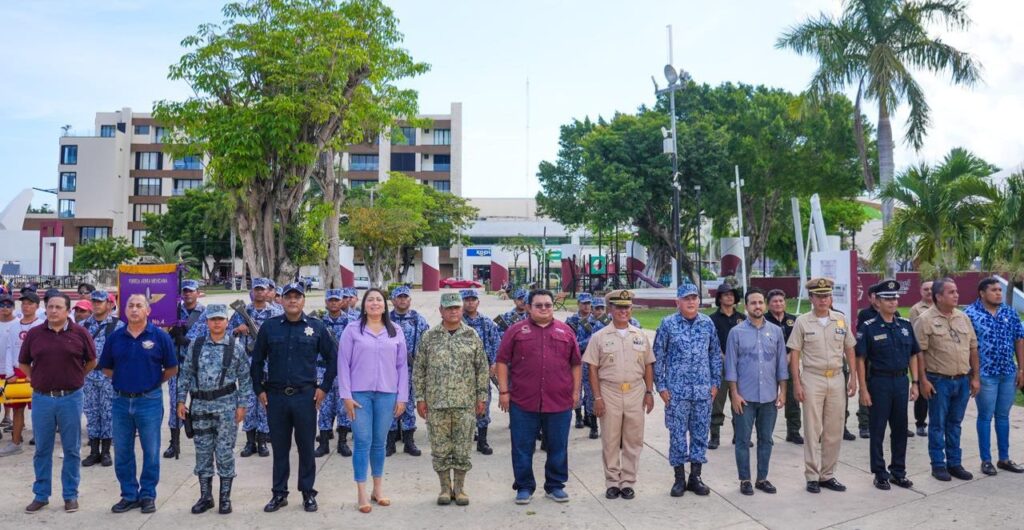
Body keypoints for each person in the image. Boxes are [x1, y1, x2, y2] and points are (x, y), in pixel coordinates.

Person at [252, 282, 337, 513]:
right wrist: (259, 389)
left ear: (303, 300)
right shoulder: (269, 328)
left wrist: (324, 388)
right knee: (280, 448)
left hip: (305, 398)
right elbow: (257, 361)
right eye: (288, 296)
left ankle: (308, 492)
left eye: (297, 296)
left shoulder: (316, 327)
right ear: (280, 300)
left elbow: (333, 359)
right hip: (276, 397)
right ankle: (279, 494)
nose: (292, 300)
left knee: (307, 447)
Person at [496, 289, 581, 505]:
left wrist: (575, 393)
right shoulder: (516, 331)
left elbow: (576, 364)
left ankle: (555, 486)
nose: (544, 308)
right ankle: (524, 486)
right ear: (528, 307)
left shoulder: (566, 331)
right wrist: (504, 392)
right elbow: (502, 361)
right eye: (539, 305)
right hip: (523, 401)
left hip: (559, 400)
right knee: (522, 446)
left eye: (548, 305)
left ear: (553, 306)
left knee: (557, 446)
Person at [99, 293, 178, 514]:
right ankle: (129, 495)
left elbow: (172, 368)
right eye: (131, 306)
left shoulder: (160, 337)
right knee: (123, 451)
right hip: (121, 402)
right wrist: (125, 379)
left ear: (148, 311)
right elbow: (106, 367)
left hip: (149, 402)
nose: (134, 309)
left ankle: (147, 495)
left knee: (151, 451)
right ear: (125, 311)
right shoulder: (115, 337)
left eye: (139, 306)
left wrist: (151, 382)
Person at [19, 293, 96, 514]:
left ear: (68, 310)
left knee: (71, 449)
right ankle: (41, 495)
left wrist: (76, 376)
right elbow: (23, 362)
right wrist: (36, 377)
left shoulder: (80, 333)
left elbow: (92, 360)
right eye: (50, 306)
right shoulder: (35, 334)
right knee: (42, 449)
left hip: (71, 398)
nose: (53, 311)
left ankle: (70, 495)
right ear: (45, 309)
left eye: (58, 307)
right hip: (42, 398)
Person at [176, 303, 252, 514]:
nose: (217, 323)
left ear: (227, 322)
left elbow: (245, 379)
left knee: (225, 453)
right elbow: (186, 374)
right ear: (207, 322)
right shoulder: (197, 345)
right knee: (202, 452)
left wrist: (242, 405)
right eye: (213, 319)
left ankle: (225, 498)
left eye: (220, 319)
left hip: (226, 407)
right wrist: (181, 401)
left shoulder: (235, 347)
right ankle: (205, 496)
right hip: (200, 407)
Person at [337, 288, 408, 514]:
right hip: (359, 395)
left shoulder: (395, 330)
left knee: (379, 442)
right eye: (370, 300)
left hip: (387, 394)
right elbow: (343, 364)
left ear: (385, 305)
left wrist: (402, 397)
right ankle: (361, 492)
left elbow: (402, 367)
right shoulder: (352, 330)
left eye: (379, 300)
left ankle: (378, 490)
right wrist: (346, 395)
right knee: (362, 441)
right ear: (364, 305)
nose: (375, 303)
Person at [415, 293, 489, 506]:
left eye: (456, 307)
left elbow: (481, 368)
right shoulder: (429, 337)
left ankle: (460, 488)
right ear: (441, 311)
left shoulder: (471, 335)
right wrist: (420, 398)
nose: (453, 311)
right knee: (440, 449)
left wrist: (481, 397)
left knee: (462, 448)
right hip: (437, 404)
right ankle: (445, 489)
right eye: (449, 308)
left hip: (465, 403)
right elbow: (419, 370)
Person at [787, 277, 857, 494]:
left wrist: (853, 376)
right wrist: (797, 383)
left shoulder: (840, 320)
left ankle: (828, 474)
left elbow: (850, 349)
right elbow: (795, 354)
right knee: (812, 428)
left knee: (834, 428)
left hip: (836, 377)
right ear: (811, 298)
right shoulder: (802, 322)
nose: (823, 300)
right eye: (819, 296)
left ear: (831, 297)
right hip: (812, 378)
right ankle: (811, 475)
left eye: (826, 295)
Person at [584, 289, 655, 500]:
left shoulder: (640, 336)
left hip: (635, 391)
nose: (623, 311)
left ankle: (628, 481)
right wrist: (597, 397)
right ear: (610, 310)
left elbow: (649, 365)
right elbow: (593, 369)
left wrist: (649, 392)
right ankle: (612, 482)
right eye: (619, 307)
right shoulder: (599, 336)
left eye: (627, 307)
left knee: (634, 439)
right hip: (609, 392)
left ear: (631, 309)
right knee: (610, 439)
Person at [653, 283, 721, 498]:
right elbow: (658, 357)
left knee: (700, 435)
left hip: (702, 391)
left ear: (699, 301)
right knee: (677, 435)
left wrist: (715, 383)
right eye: (686, 298)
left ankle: (696, 478)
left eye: (694, 298)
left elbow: (714, 354)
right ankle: (679, 479)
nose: (691, 302)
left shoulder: (707, 323)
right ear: (678, 302)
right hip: (677, 393)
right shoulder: (668, 324)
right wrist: (661, 386)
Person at [856, 280, 920, 490]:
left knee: (900, 428)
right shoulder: (869, 327)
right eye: (887, 298)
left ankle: (898, 472)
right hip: (879, 382)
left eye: (895, 298)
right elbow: (860, 360)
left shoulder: (905, 326)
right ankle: (880, 472)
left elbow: (913, 355)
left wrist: (915, 382)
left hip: (901, 381)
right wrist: (863, 389)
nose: (892, 302)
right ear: (877, 301)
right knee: (877, 429)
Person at [914, 278, 979, 482]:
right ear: (938, 296)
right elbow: (919, 353)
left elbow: (973, 348)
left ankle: (954, 463)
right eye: (951, 292)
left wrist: (975, 377)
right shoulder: (924, 320)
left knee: (955, 423)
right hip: (938, 380)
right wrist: (922, 380)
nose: (956, 295)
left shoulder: (963, 317)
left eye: (956, 291)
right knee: (937, 424)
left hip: (961, 380)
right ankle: (938, 464)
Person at [725, 287, 788, 496]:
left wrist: (783, 392)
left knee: (766, 439)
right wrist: (734, 394)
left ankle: (762, 478)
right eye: (753, 303)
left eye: (761, 302)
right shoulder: (736, 332)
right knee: (743, 440)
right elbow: (731, 366)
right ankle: (745, 479)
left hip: (769, 396)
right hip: (744, 398)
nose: (758, 306)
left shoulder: (776, 332)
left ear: (765, 305)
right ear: (746, 306)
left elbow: (781, 365)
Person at [963, 277, 1024, 476]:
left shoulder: (1009, 312)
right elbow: (968, 347)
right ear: (982, 293)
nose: (998, 293)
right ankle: (986, 460)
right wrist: (974, 376)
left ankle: (1004, 458)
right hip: (985, 375)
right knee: (985, 416)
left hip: (1008, 373)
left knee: (1003, 416)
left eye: (999, 289)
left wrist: (1021, 369)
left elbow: (1019, 339)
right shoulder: (970, 314)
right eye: (994, 290)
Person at [216, 277, 282, 458]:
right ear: (252, 291)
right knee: (248, 401)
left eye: (263, 289)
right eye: (256, 289)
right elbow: (226, 332)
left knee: (265, 402)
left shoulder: (275, 312)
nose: (260, 292)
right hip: (247, 362)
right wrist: (238, 329)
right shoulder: (242, 311)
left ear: (268, 291)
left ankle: (262, 441)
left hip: (269, 363)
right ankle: (249, 442)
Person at [80, 290, 125, 467]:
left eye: (100, 302)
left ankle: (106, 452)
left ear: (109, 304)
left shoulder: (118, 325)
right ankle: (93, 451)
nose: (97, 305)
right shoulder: (83, 325)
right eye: (94, 301)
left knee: (107, 413)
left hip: (108, 376)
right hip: (88, 375)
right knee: (91, 412)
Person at [165, 280, 206, 459]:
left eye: (191, 291)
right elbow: (163, 331)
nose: (188, 294)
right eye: (185, 291)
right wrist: (171, 333)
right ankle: (174, 443)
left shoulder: (204, 312)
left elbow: (208, 335)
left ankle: (202, 440)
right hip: (177, 363)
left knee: (199, 402)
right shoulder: (173, 310)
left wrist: (186, 339)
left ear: (198, 293)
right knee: (175, 402)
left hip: (197, 365)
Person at [0, 290, 44, 456]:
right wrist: (10, 371)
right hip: (18, 371)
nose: (26, 306)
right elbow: (11, 348)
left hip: (38, 371)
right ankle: (15, 442)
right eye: (24, 303)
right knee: (18, 409)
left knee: (40, 409)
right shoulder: (14, 325)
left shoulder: (42, 325)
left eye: (30, 303)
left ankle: (41, 442)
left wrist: (36, 372)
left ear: (36, 306)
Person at [387, 286, 429, 457]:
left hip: (412, 369)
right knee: (390, 404)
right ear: (393, 300)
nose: (402, 300)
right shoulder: (385, 319)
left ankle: (409, 441)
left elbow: (427, 344)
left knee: (409, 404)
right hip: (389, 370)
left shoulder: (419, 320)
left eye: (405, 297)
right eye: (399, 297)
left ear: (410, 300)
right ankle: (389, 443)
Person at [461, 288, 502, 455]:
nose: (470, 302)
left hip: (483, 371)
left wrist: (494, 364)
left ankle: (482, 441)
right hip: (461, 372)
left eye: (473, 299)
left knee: (483, 403)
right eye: (467, 299)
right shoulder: (457, 321)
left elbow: (496, 344)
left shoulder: (486, 322)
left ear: (478, 302)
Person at [314, 289, 352, 458]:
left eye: (337, 300)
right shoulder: (318, 323)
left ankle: (342, 443)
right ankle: (323, 444)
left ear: (342, 301)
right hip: (324, 370)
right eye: (331, 300)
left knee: (344, 408)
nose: (334, 303)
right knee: (324, 408)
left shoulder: (351, 322)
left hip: (345, 371)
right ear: (326, 302)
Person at [709, 278, 745, 450]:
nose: (729, 298)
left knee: (740, 401)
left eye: (731, 295)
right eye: (725, 295)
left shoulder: (743, 319)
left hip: (740, 367)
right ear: (720, 298)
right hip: (719, 367)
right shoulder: (712, 319)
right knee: (717, 402)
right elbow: (710, 343)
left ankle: (739, 435)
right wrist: (723, 357)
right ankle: (714, 436)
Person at [765, 289, 802, 445]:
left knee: (794, 399)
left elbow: (799, 344)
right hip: (769, 366)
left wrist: (789, 357)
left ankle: (793, 432)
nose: (778, 304)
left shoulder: (794, 321)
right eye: (774, 301)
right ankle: (766, 434)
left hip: (790, 364)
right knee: (769, 400)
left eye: (781, 301)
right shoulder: (764, 321)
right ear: (768, 304)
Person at [566, 292, 603, 438]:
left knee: (592, 393)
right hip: (579, 360)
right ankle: (579, 416)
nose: (586, 306)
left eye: (589, 303)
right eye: (584, 303)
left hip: (596, 362)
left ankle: (591, 421)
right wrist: (588, 342)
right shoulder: (573, 321)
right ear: (578, 304)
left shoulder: (602, 322)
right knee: (577, 389)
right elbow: (571, 341)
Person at [909, 280, 933, 437]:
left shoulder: (943, 307)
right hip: (922, 355)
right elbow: (914, 335)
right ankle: (920, 423)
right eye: (926, 289)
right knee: (923, 393)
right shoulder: (916, 310)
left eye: (932, 289)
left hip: (939, 359)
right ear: (920, 291)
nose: (929, 292)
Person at [0, 294, 16, 431]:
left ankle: (8, 417)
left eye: (8, 305)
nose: (5, 308)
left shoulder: (18, 323)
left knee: (10, 396)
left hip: (10, 367)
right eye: (2, 305)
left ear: (13, 307)